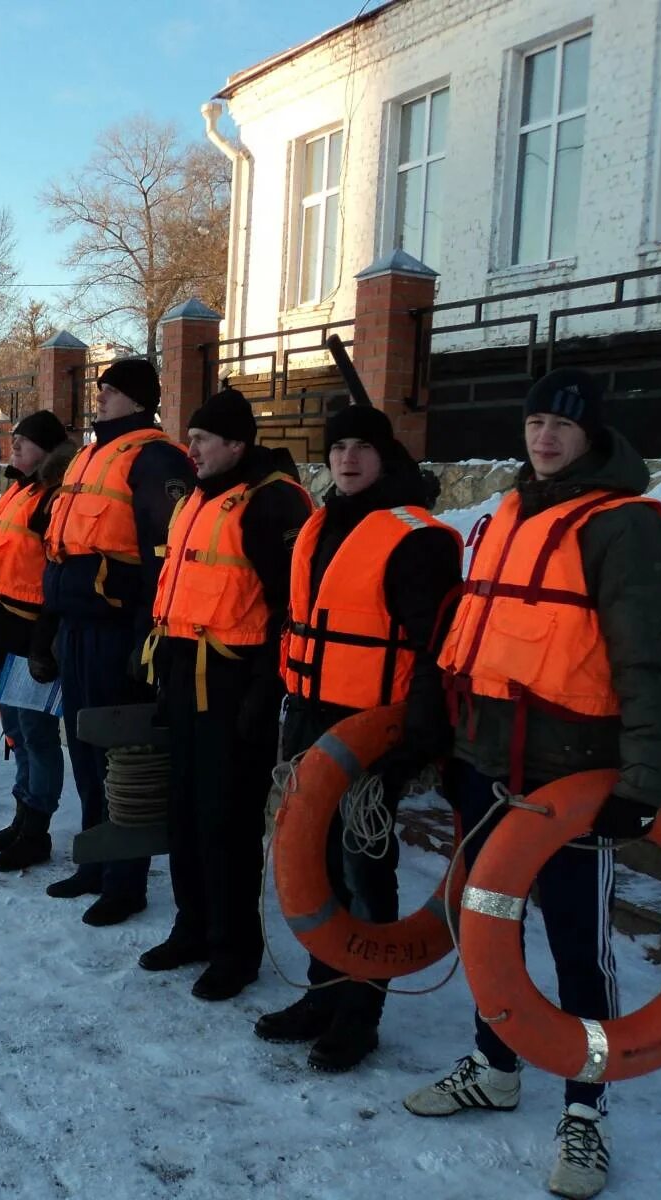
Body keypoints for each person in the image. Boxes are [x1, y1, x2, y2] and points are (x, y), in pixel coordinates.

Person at [403, 369, 661, 1200]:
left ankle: (586, 1110)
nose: (544, 436)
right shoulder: (512, 512)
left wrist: (645, 779)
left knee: (576, 947)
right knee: (491, 925)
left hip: (571, 778)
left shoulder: (625, 527)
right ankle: (494, 1066)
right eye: (534, 422)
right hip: (487, 761)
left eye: (561, 425)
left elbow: (649, 660)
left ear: (592, 436)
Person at [252, 402, 462, 1071]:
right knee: (313, 860)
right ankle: (323, 991)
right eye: (338, 447)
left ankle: (360, 1012)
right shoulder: (322, 526)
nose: (347, 459)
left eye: (361, 448)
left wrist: (416, 736)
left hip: (372, 729)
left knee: (361, 863)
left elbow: (438, 646)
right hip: (310, 713)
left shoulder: (415, 537)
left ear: (385, 456)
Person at [140, 385, 312, 1001]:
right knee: (183, 813)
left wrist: (265, 695)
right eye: (191, 439)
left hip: (236, 689)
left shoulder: (271, 504)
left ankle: (234, 949)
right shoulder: (198, 499)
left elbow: (290, 609)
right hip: (186, 678)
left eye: (203, 440)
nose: (192, 450)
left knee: (228, 823)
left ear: (237, 444)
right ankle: (192, 927)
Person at [42, 358, 195, 927]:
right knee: (83, 747)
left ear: (138, 399)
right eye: (101, 386)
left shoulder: (156, 459)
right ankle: (97, 860)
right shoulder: (89, 454)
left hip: (117, 630)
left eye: (111, 388)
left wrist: (144, 639)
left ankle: (126, 880)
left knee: (118, 757)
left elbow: (164, 558)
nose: (100, 395)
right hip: (79, 625)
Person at [0, 409, 75, 870]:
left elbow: (56, 572)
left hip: (34, 634)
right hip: (4, 627)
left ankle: (36, 831)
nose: (14, 447)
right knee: (15, 730)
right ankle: (21, 818)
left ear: (47, 450)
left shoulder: (53, 498)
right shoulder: (18, 490)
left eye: (24, 442)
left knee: (36, 734)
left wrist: (45, 644)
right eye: (14, 439)